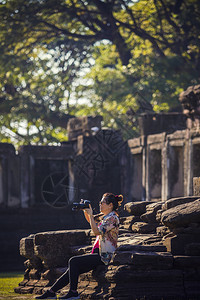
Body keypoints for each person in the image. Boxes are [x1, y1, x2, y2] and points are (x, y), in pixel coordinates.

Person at [35, 193, 123, 300]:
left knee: (73, 261)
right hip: (97, 254)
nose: (100, 204)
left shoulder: (112, 218)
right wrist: (86, 211)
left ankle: (73, 293)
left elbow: (96, 231)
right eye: (100, 202)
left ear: (110, 205)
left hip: (105, 256)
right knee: (73, 269)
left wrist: (90, 214)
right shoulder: (105, 217)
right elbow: (92, 222)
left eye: (102, 203)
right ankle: (51, 292)